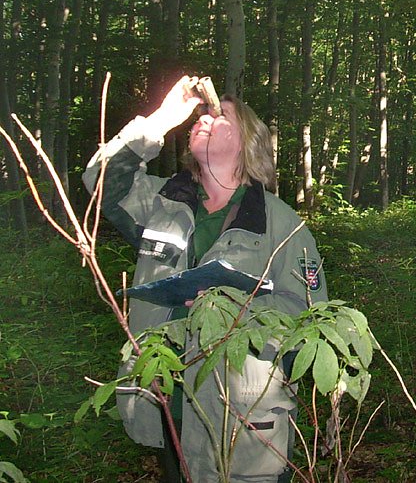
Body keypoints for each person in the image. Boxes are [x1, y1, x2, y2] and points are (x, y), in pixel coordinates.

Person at [83, 75, 327, 482]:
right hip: (167, 403)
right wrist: (162, 119)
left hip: (242, 418)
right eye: (201, 116)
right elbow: (99, 180)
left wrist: (236, 307)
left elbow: (310, 317)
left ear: (249, 143)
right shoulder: (164, 203)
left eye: (221, 115)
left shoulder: (280, 223)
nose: (203, 119)